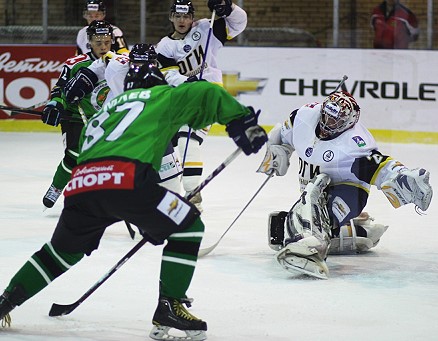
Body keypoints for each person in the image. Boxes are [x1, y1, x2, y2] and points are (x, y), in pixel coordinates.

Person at [0, 63, 268, 339]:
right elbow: (205, 91)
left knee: (60, 252)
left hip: (82, 185)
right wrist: (242, 121)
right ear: (156, 82)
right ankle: (171, 305)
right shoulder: (161, 95)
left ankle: (6, 301)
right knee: (189, 226)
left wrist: (143, 214)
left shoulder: (106, 111)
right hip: (128, 181)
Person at [257, 90, 433, 279]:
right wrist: (277, 151)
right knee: (282, 229)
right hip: (314, 189)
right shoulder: (304, 116)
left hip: (350, 191)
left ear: (348, 123)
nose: (326, 124)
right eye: (326, 116)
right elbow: (282, 135)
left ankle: (311, 247)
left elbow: (380, 166)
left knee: (313, 210)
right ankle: (356, 230)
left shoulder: (354, 144)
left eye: (335, 121)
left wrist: (403, 177)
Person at [155, 0, 247, 211]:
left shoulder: (207, 28)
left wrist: (229, 7)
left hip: (209, 95)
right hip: (183, 99)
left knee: (189, 138)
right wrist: (188, 83)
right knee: (176, 145)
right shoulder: (165, 46)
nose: (181, 20)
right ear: (171, 17)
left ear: (192, 17)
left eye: (186, 16)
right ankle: (179, 191)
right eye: (177, 16)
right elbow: (169, 74)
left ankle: (192, 192)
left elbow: (239, 23)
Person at [64, 44, 183, 195]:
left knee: (170, 180)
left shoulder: (162, 79)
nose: (139, 69)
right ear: (129, 62)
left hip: (150, 130)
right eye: (136, 64)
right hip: (119, 127)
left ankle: (174, 201)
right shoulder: (118, 67)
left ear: (155, 64)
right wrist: (86, 76)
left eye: (145, 65)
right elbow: (105, 59)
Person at [40, 20, 113, 209]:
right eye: (98, 43)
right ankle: (57, 187)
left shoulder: (119, 63)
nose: (103, 47)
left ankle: (91, 195)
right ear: (89, 42)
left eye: (107, 42)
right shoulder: (75, 64)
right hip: (75, 117)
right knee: (74, 155)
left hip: (105, 120)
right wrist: (55, 105)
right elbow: (60, 90)